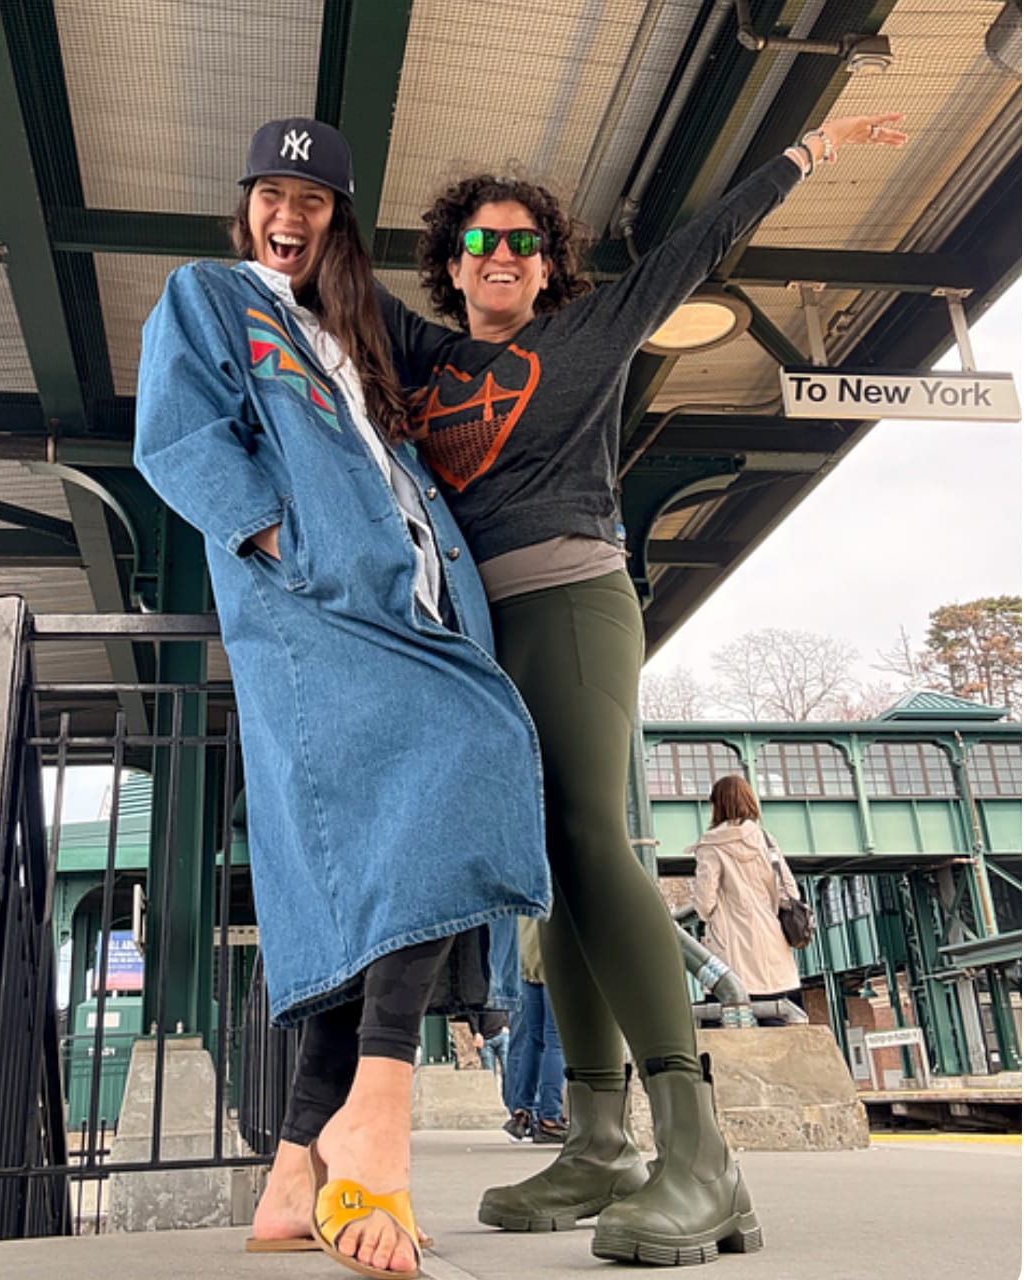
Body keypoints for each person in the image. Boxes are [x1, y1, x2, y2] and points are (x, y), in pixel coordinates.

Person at [379, 113, 906, 1265]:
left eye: (522, 241)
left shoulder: (591, 329)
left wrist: (802, 155)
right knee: (548, 870)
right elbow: (314, 290)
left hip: (571, 599)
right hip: (477, 627)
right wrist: (282, 212)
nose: (502, 255)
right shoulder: (426, 360)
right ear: (452, 261)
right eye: (480, 241)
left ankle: (699, 1153)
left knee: (589, 836)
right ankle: (602, 1135)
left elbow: (690, 250)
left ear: (548, 262)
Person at [133, 116, 550, 1279]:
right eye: (272, 192)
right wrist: (284, 539)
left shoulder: (351, 329)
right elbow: (176, 437)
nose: (289, 214)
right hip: (316, 602)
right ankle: (379, 1104)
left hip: (412, 600)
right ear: (245, 205)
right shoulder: (212, 295)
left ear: (338, 219)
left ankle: (292, 1162)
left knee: (371, 863)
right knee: (472, 748)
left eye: (311, 200)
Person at [690, 775, 803, 1024]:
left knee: (728, 1018)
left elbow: (704, 902)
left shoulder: (711, 845)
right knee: (774, 1017)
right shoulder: (765, 840)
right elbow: (790, 892)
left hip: (729, 944)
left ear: (717, 805)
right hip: (769, 939)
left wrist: (713, 915)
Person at [502, 918, 568, 1144]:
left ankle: (522, 1112)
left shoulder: (529, 887)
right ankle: (550, 1118)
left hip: (528, 965)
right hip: (555, 964)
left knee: (534, 1039)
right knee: (555, 1041)